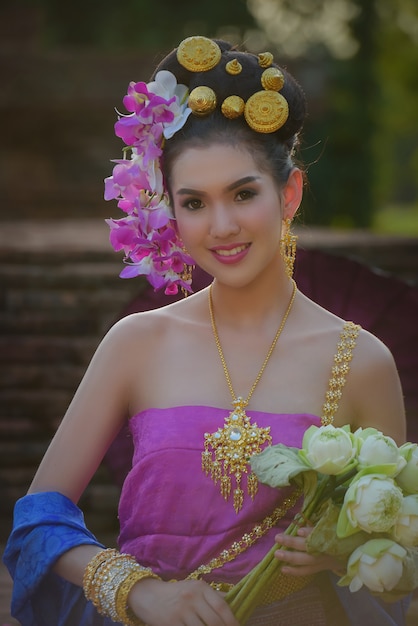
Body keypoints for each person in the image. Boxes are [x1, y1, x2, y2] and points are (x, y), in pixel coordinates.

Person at [3, 35, 411, 626]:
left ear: (288, 193)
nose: (222, 226)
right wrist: (139, 590)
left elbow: (393, 553)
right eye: (194, 203)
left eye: (244, 194)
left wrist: (341, 550)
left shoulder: (361, 360)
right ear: (169, 208)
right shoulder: (136, 342)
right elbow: (38, 516)